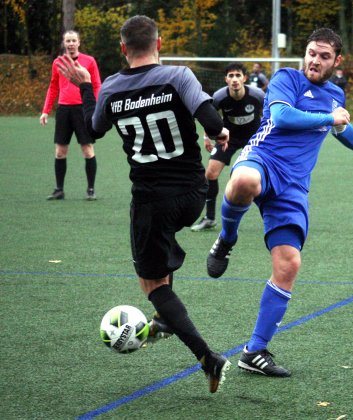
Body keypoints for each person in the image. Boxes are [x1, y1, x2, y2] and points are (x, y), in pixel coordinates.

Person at [56, 15, 231, 393]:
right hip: (193, 193)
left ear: (122, 48)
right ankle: (166, 320)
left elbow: (92, 130)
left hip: (152, 201)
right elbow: (213, 122)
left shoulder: (112, 88)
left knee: (152, 284)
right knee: (162, 254)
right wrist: (219, 134)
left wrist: (87, 88)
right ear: (159, 43)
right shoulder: (179, 76)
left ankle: (207, 357)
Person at [206, 28, 353, 377]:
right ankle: (226, 238)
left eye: (324, 56)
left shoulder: (334, 94)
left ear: (337, 61)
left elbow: (342, 128)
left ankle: (254, 351)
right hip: (263, 158)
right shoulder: (286, 78)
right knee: (243, 180)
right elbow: (285, 117)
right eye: (311, 53)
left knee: (289, 264)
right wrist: (330, 118)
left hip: (293, 187)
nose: (315, 61)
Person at [191, 62, 265, 232]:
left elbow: (270, 113)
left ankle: (273, 215)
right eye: (231, 76)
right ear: (226, 79)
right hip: (228, 138)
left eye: (238, 75)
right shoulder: (219, 97)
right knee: (210, 173)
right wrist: (207, 137)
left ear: (244, 78)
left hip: (253, 139)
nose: (234, 79)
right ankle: (209, 218)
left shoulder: (257, 95)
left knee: (263, 175)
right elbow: (207, 115)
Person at [40, 30, 102, 200]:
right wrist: (45, 110)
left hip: (83, 110)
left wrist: (96, 106)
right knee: (60, 151)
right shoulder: (58, 62)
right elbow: (53, 87)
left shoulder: (89, 61)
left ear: (79, 43)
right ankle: (59, 189)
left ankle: (91, 190)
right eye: (68, 41)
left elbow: (96, 85)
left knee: (87, 150)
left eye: (74, 40)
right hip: (64, 110)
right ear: (64, 43)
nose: (71, 44)